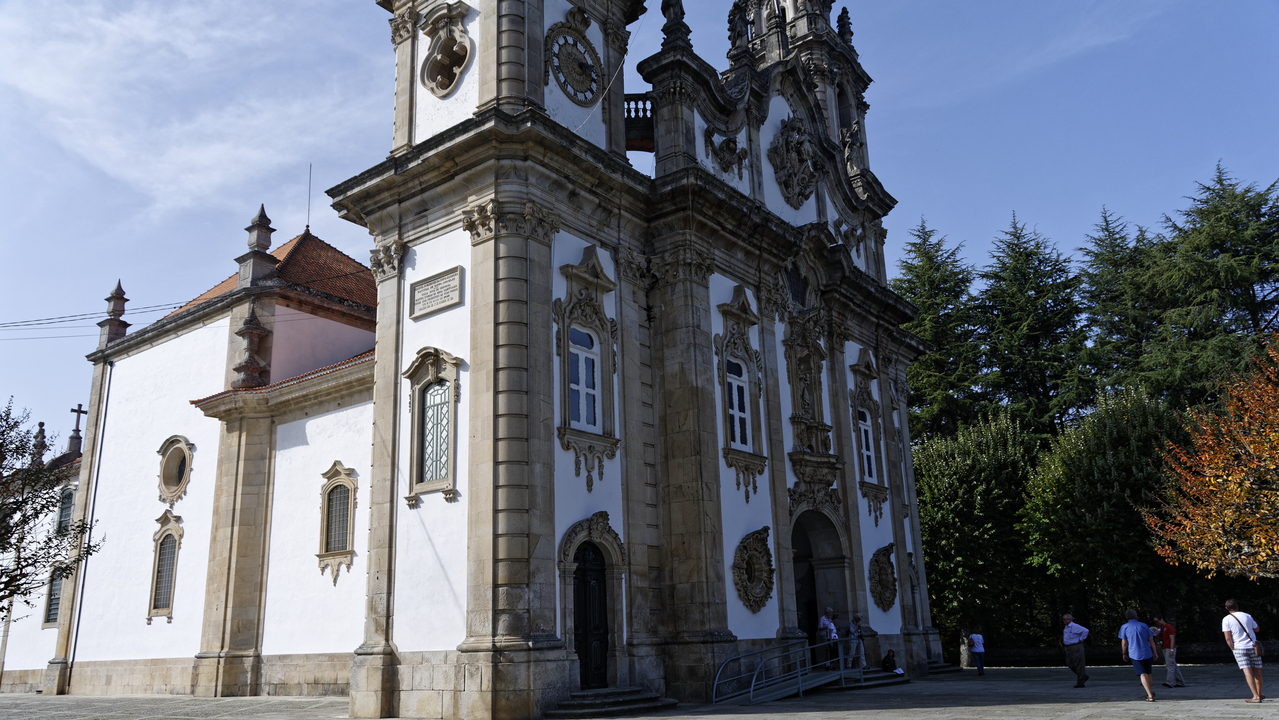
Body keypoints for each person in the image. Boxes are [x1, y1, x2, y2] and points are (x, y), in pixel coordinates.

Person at [1223, 599, 1264, 703]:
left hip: (1239, 647)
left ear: (1227, 608)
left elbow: (1228, 637)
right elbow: (1257, 629)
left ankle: (1255, 696)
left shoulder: (1226, 619)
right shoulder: (1247, 616)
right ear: (1237, 606)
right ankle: (1259, 693)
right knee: (1257, 671)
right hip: (1253, 646)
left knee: (1247, 671)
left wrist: (1232, 648)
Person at [1118, 608, 1159, 702]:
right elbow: (1151, 640)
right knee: (1148, 673)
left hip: (1135, 653)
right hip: (1147, 652)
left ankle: (1149, 695)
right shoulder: (1144, 625)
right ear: (1136, 616)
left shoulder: (1124, 627)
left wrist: (1124, 653)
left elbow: (1124, 642)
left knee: (1142, 674)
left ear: (1127, 617)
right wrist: (1155, 652)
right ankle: (1149, 691)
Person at [1152, 615, 1186, 688]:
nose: (1157, 623)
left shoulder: (1169, 627)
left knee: (1169, 665)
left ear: (1161, 619)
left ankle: (1169, 682)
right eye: (1155, 622)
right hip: (1164, 647)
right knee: (1173, 665)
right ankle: (1180, 681)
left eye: (1157, 621)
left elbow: (1172, 639)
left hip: (1169, 648)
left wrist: (1171, 649)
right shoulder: (1160, 627)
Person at [1062, 613, 1090, 688]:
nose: (1063, 621)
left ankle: (1080, 682)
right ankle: (1083, 676)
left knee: (1079, 664)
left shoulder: (1075, 626)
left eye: (1064, 619)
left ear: (1069, 619)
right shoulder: (1066, 627)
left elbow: (1085, 630)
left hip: (1075, 646)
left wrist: (1081, 639)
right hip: (1068, 647)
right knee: (1070, 663)